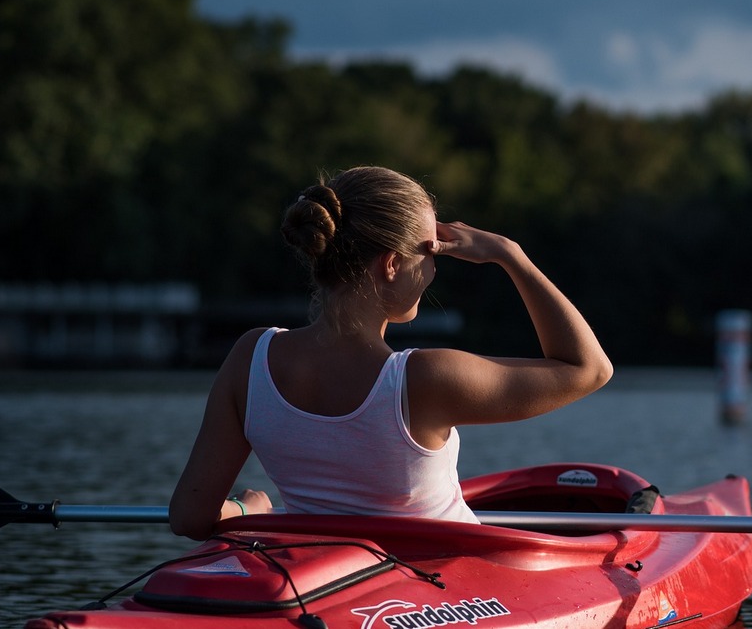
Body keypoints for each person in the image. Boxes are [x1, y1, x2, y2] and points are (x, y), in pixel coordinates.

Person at [169, 166, 613, 540]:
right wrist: (510, 256)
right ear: (392, 264)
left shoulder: (251, 357)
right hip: (445, 595)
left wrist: (250, 513)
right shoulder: (425, 378)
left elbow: (190, 517)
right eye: (431, 250)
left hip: (332, 589)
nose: (436, 267)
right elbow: (589, 368)